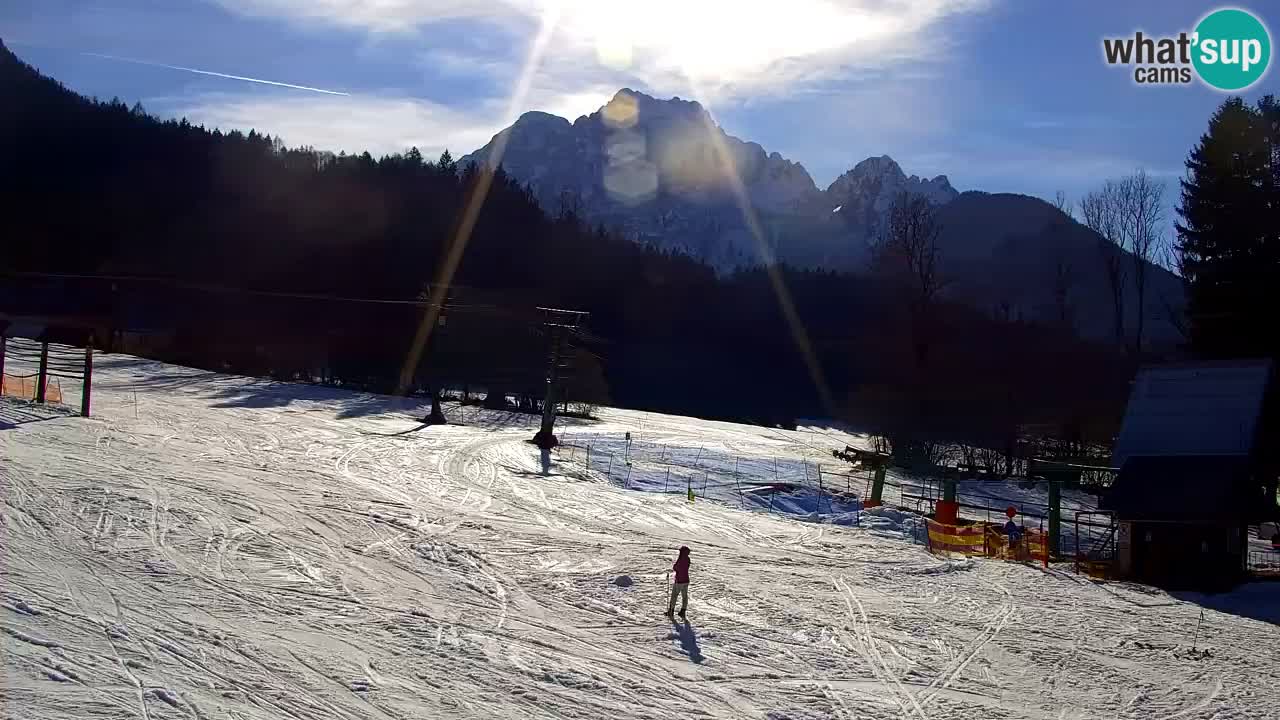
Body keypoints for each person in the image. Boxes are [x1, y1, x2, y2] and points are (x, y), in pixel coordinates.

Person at [666, 546, 691, 618]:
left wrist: (675, 566)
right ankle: (683, 611)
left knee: (674, 596)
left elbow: (676, 568)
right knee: (684, 596)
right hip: (686, 580)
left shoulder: (680, 559)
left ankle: (671, 611)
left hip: (679, 580)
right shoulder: (687, 559)